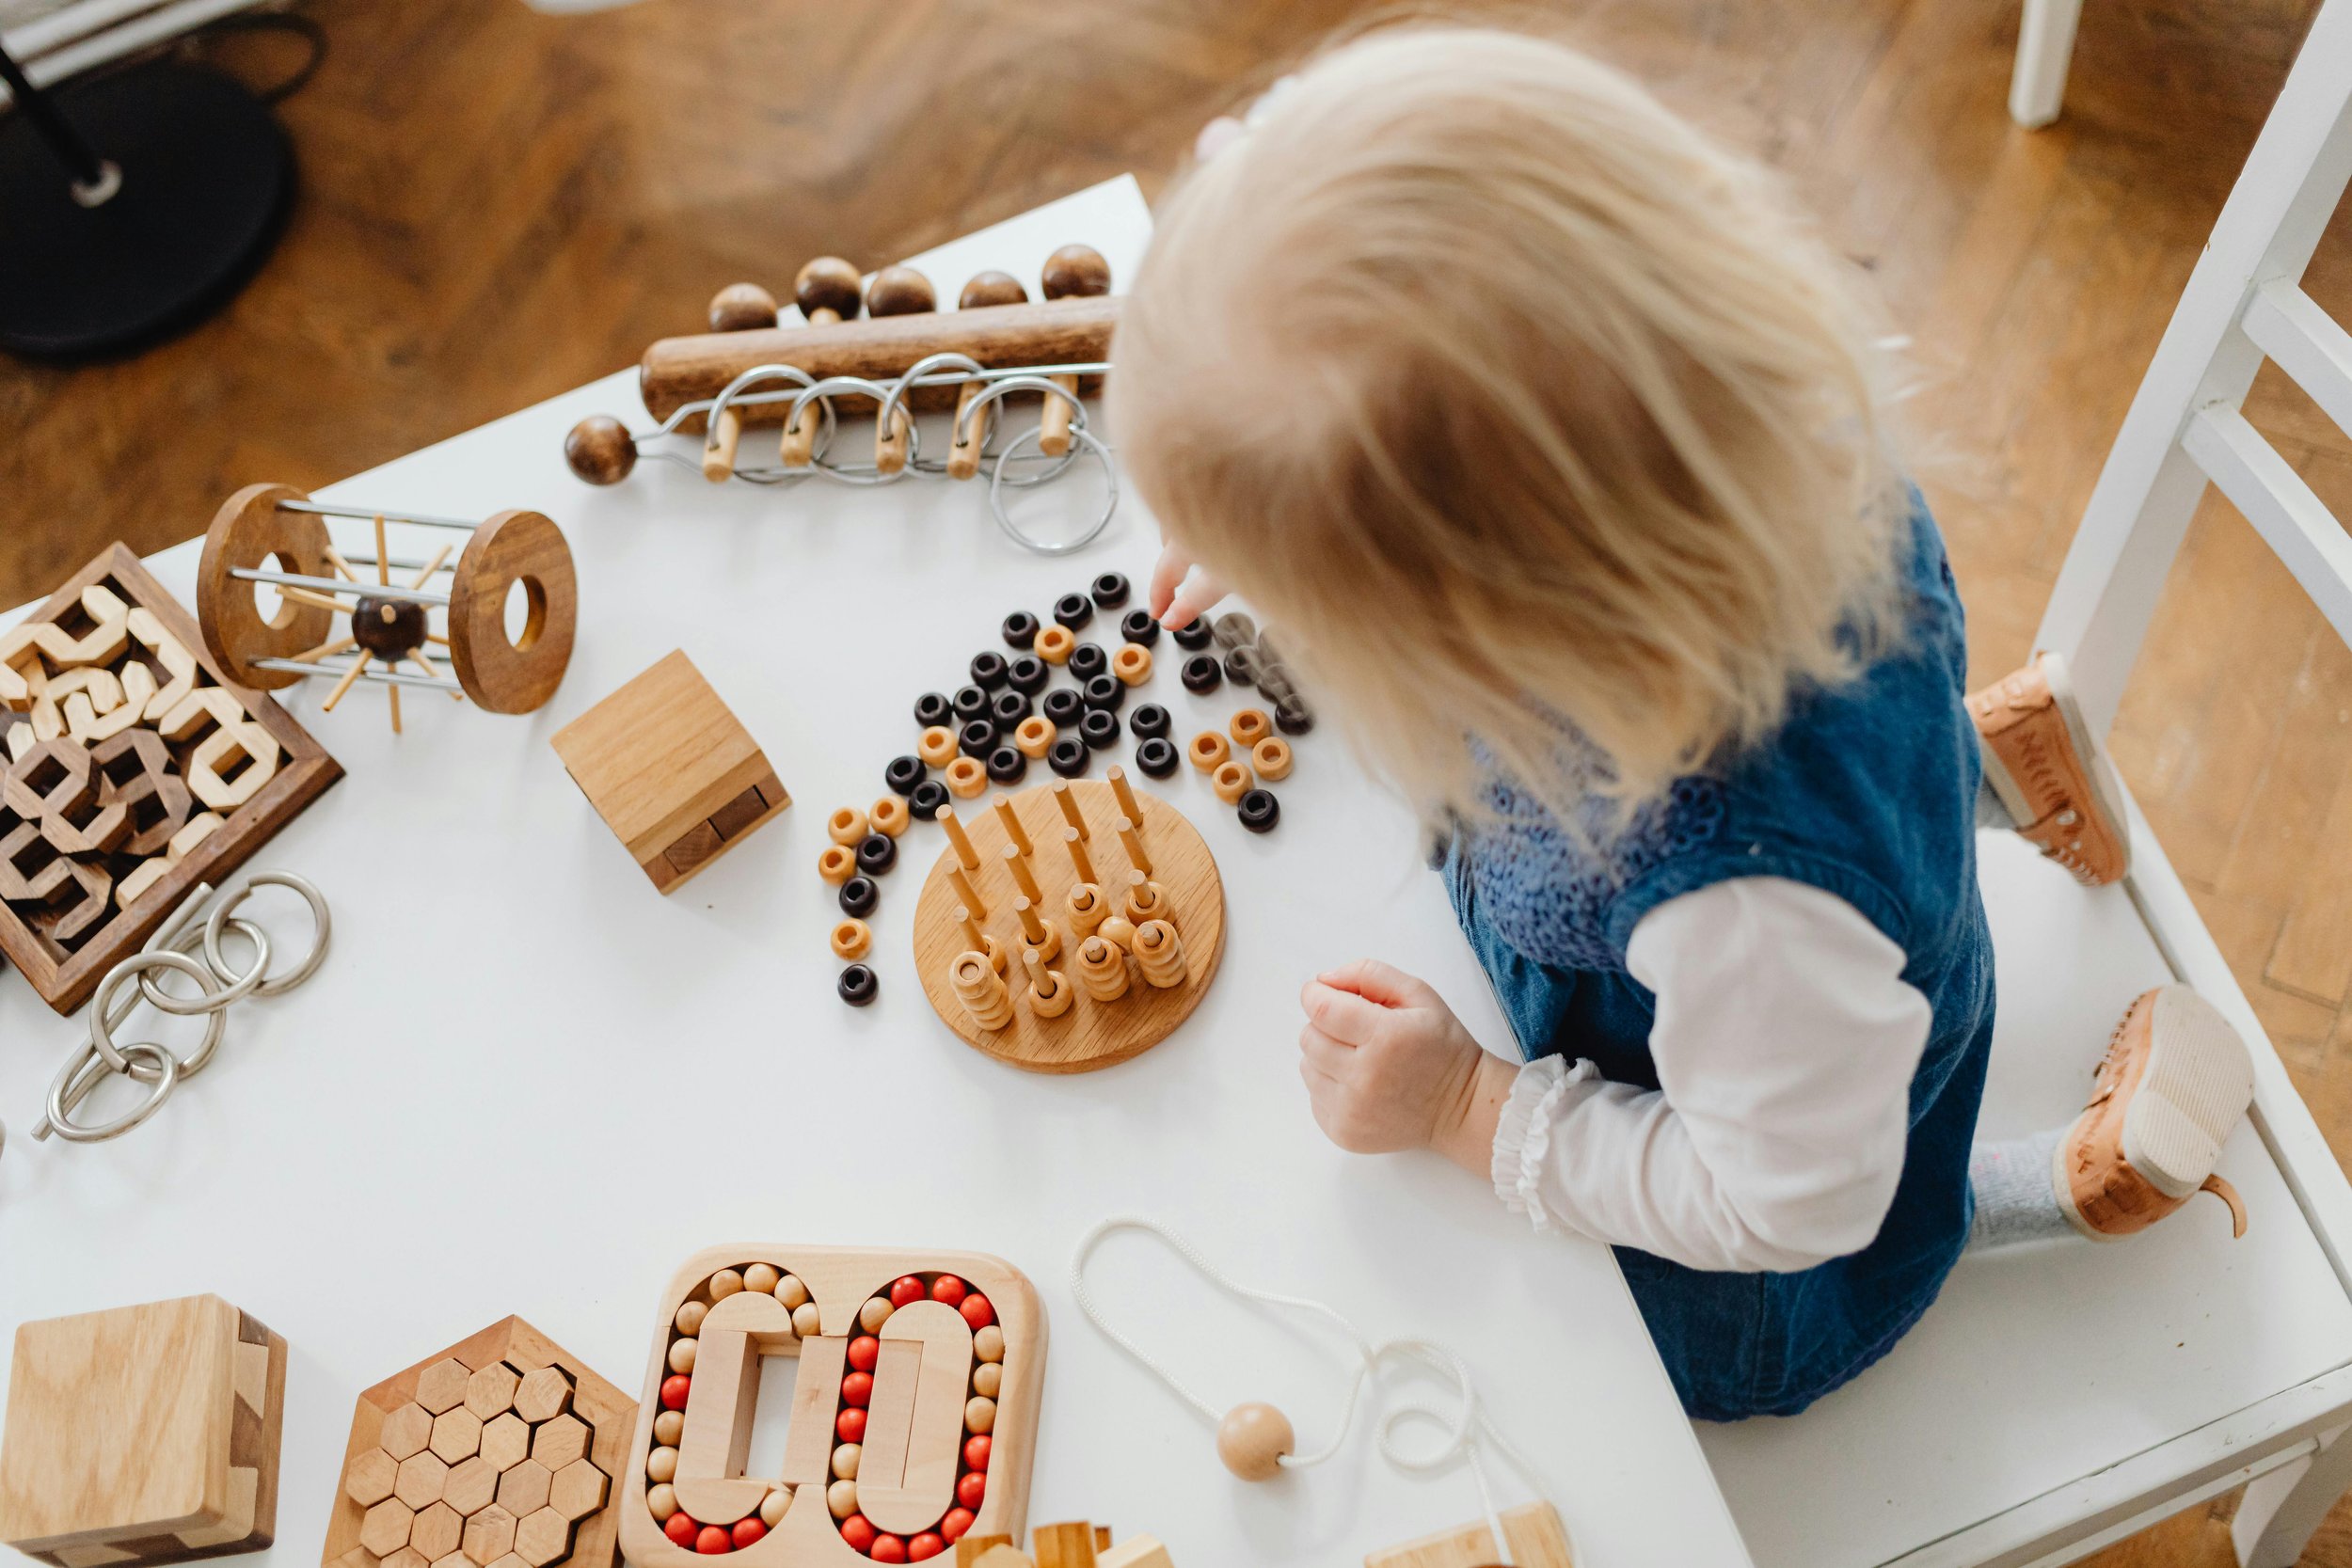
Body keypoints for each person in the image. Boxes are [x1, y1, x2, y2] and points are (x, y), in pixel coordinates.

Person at [1109, 26, 2256, 1419]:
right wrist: (1297, 506)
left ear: (1487, 624)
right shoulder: (1738, 438)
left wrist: (1468, 1108)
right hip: (1804, 940)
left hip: (1772, 1242)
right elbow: (1400, 325)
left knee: (1856, 1209)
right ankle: (1969, 778)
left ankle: (2016, 1200)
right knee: (1851, 846)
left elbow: (1791, 1205)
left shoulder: (1738, 902)